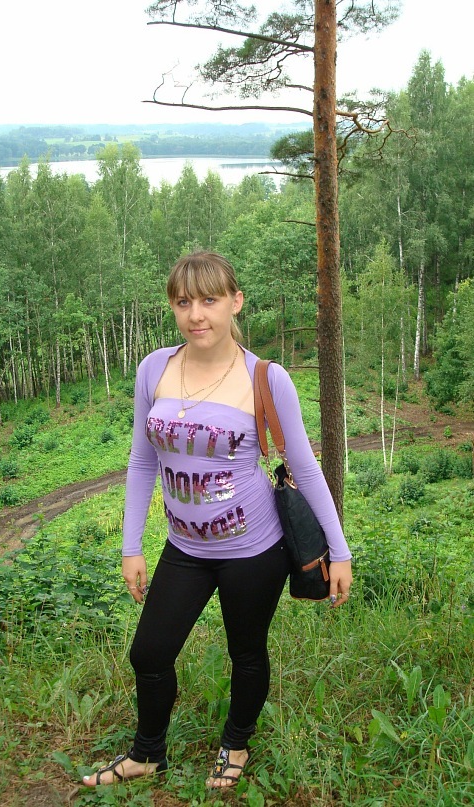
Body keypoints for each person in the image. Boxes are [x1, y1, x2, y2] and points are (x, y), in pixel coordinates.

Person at [83, 251, 352, 789]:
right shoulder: (154, 368)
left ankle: (236, 743)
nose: (196, 315)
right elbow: (142, 461)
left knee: (246, 653)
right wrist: (131, 546)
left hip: (254, 550)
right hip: (184, 547)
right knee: (149, 653)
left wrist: (339, 551)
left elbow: (304, 467)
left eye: (209, 300)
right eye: (183, 302)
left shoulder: (266, 378)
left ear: (235, 302)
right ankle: (147, 754)